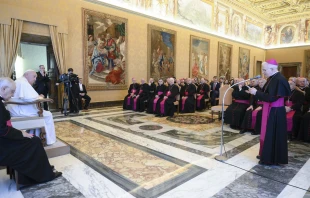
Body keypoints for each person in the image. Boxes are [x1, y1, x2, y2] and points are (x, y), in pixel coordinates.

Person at [0, 77, 61, 186]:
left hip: (3, 141)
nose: (13, 95)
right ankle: (44, 175)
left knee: (32, 139)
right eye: (12, 91)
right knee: (34, 141)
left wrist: (19, 132)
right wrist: (21, 133)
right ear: (4, 89)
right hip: (3, 148)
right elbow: (3, 131)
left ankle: (42, 168)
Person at [248, 59, 291, 165]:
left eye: (264, 69)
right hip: (271, 109)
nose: (263, 72)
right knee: (268, 133)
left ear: (272, 69)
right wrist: (256, 92)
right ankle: (265, 154)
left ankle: (271, 159)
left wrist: (256, 92)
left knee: (272, 134)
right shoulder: (272, 78)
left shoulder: (279, 79)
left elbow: (272, 98)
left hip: (275, 111)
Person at [6, 70, 57, 145]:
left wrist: (38, 97)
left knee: (44, 113)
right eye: (34, 76)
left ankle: (36, 135)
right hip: (20, 109)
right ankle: (49, 140)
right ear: (26, 75)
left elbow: (27, 97)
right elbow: (31, 98)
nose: (35, 79)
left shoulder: (20, 81)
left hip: (17, 108)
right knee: (48, 114)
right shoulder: (23, 83)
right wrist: (40, 97)